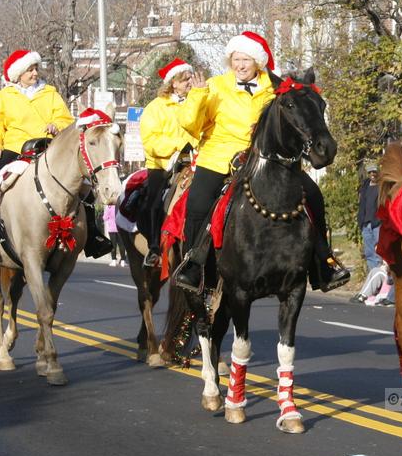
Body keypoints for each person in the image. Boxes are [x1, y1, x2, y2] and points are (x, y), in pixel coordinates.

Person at [172, 31, 349, 293]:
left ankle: (324, 263)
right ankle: (193, 264)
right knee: (198, 202)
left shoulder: (275, 87)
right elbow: (189, 124)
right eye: (235, 59)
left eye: (245, 59)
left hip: (265, 159)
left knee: (313, 195)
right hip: (220, 157)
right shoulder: (215, 85)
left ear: (257, 62)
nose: (240, 65)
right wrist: (196, 96)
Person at [0, 49, 112, 257]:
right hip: (15, 149)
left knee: (83, 185)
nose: (35, 73)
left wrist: (56, 126)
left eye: (36, 69)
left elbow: (66, 120)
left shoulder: (49, 93)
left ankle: (92, 235)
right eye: (30, 70)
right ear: (18, 74)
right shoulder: (4, 97)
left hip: (48, 148)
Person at [138, 58, 197, 267]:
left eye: (190, 77)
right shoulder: (156, 107)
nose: (190, 82)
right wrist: (178, 145)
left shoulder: (196, 101)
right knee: (154, 202)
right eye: (186, 79)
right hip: (163, 163)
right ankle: (154, 247)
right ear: (173, 82)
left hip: (194, 160)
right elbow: (150, 140)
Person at [357, 164, 383, 274]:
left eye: (374, 172)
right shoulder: (365, 187)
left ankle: (382, 275)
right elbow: (362, 205)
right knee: (369, 253)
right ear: (368, 174)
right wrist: (361, 222)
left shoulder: (382, 187)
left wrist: (380, 220)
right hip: (365, 225)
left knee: (380, 251)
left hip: (377, 224)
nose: (373, 174)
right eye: (370, 172)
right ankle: (373, 275)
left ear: (378, 173)